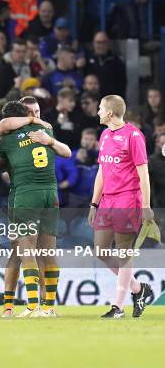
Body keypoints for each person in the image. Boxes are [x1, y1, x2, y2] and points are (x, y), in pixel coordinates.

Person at [0, 98, 71, 317]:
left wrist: (5, 152)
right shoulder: (46, 132)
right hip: (50, 194)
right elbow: (67, 153)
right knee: (46, 252)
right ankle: (47, 306)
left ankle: (32, 305)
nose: (35, 115)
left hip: (24, 195)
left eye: (37, 111)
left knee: (24, 251)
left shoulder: (8, 138)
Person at [88, 95, 154, 318]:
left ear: (109, 113)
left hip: (127, 199)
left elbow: (143, 174)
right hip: (107, 200)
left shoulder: (134, 136)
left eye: (100, 109)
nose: (97, 112)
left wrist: (145, 205)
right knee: (101, 250)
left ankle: (118, 307)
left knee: (124, 253)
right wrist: (94, 203)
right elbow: (101, 171)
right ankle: (138, 289)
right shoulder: (105, 135)